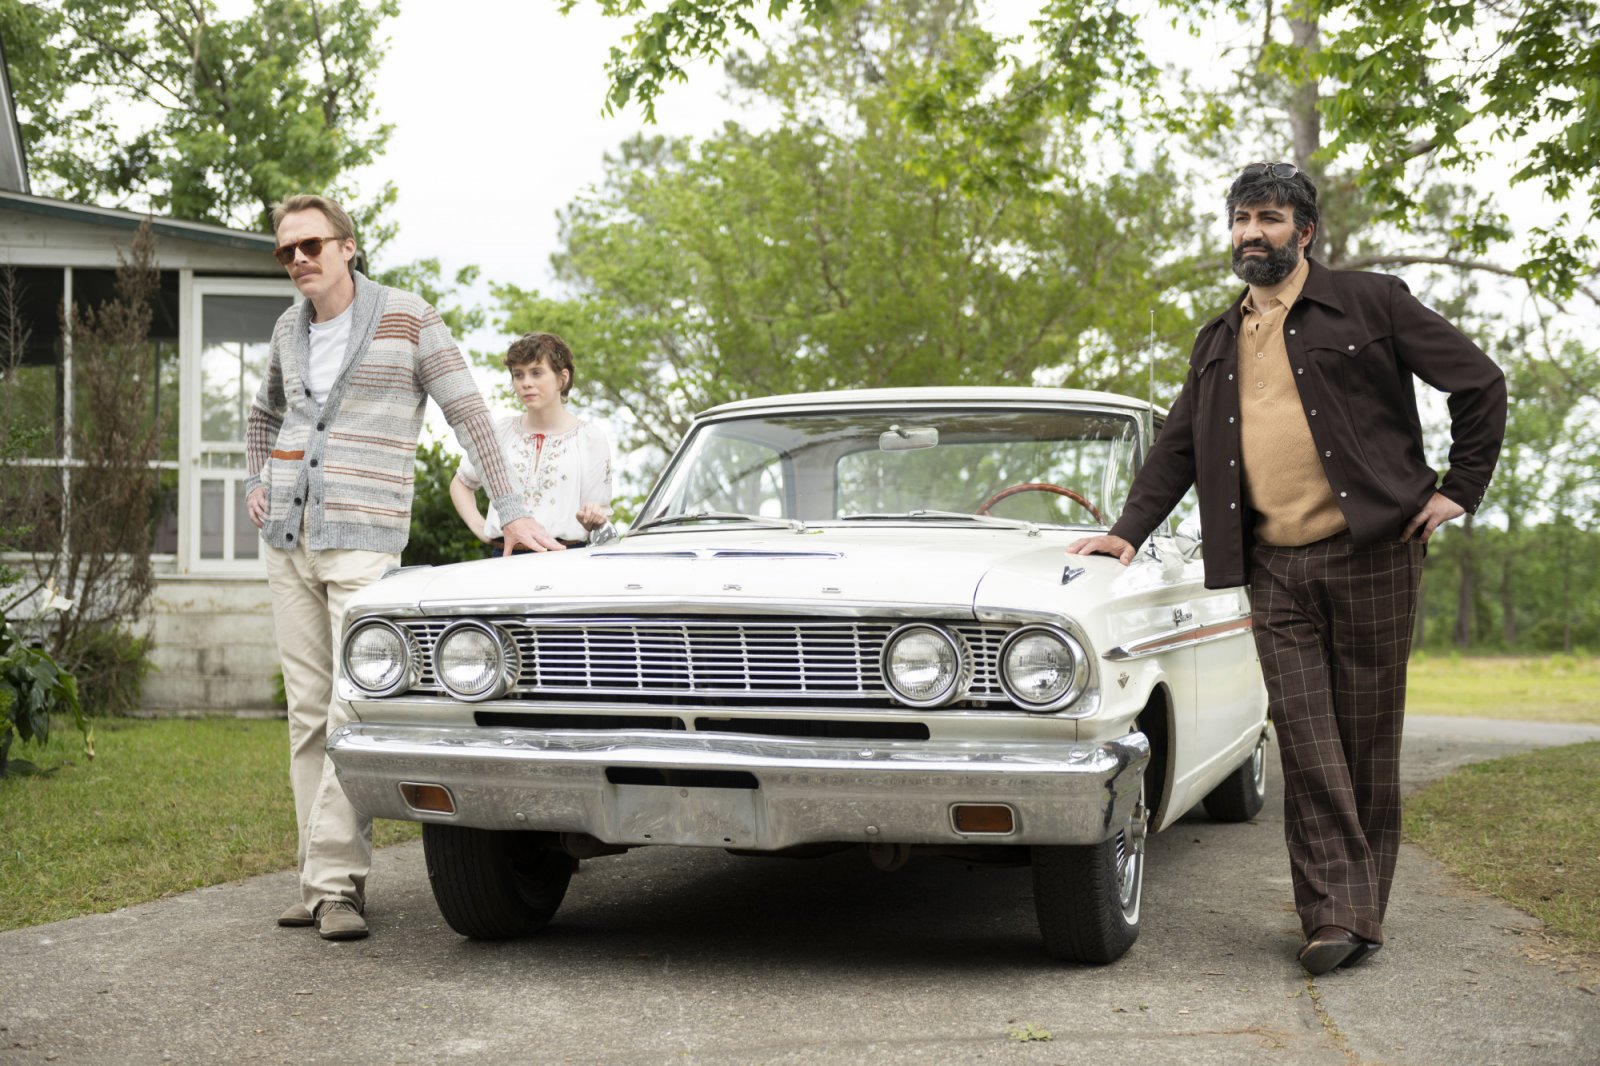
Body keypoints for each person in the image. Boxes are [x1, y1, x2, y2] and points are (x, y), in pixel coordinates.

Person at [1067, 162, 1506, 975]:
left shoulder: (1372, 302)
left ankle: (1356, 908)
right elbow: (1177, 449)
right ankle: (1334, 915)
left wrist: (1460, 489)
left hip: (1373, 553)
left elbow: (1480, 382)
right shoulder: (1217, 340)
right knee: (1305, 737)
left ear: (1304, 231)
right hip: (1273, 566)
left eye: (1268, 218)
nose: (1250, 233)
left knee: (1366, 737)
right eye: (1240, 218)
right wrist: (1126, 534)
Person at [244, 194, 560, 941]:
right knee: (306, 715)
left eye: (311, 245)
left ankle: (331, 886)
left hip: (363, 538)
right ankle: (322, 883)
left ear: (347, 247)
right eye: (286, 251)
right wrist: (258, 478)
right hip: (287, 536)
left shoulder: (409, 317)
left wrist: (512, 508)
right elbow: (265, 414)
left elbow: (470, 413)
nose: (298, 260)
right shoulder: (288, 328)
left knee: (351, 708)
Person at [450, 332, 613, 551]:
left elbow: (597, 513)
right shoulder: (501, 432)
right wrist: (480, 528)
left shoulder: (589, 438)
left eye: (536, 373)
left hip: (566, 558)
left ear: (562, 378)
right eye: (518, 375)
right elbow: (461, 482)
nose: (526, 383)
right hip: (505, 558)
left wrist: (592, 517)